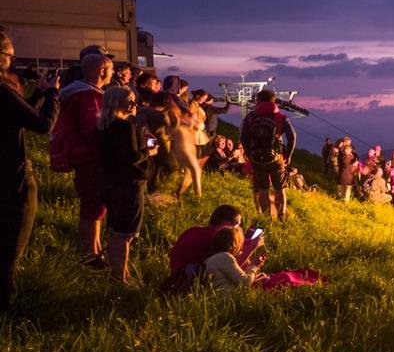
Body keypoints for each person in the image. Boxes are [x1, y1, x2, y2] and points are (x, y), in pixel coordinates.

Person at [0, 31, 60, 313]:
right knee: (11, 249)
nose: (12, 63)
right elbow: (43, 125)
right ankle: (5, 311)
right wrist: (52, 94)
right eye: (10, 56)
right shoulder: (3, 91)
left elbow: (21, 115)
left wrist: (38, 94)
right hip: (13, 177)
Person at [51, 52, 113, 268]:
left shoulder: (78, 93)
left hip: (84, 157)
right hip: (89, 158)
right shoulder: (89, 97)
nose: (112, 74)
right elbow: (94, 131)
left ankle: (95, 249)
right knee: (93, 206)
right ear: (101, 70)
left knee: (96, 206)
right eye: (110, 69)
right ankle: (89, 254)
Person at [96, 85, 156, 285]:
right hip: (128, 186)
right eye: (129, 100)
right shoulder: (124, 127)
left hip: (110, 184)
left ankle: (121, 274)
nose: (133, 104)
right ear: (116, 102)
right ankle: (119, 279)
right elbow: (131, 158)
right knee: (125, 234)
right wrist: (150, 151)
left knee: (115, 232)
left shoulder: (104, 126)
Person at [240, 90, 297, 220]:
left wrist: (249, 153)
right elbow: (292, 137)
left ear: (258, 101)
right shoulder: (281, 117)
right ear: (273, 101)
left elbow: (244, 138)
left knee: (263, 189)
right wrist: (288, 154)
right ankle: (281, 216)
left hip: (256, 157)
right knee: (280, 188)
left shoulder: (251, 117)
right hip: (276, 157)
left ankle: (267, 219)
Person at [167, 204, 262, 277]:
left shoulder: (195, 230)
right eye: (237, 225)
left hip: (179, 275)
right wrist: (252, 248)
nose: (238, 229)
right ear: (226, 223)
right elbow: (228, 267)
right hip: (191, 281)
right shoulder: (218, 237)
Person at [204, 227, 263, 295]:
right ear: (234, 244)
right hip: (227, 300)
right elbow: (245, 282)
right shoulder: (225, 257)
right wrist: (254, 266)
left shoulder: (212, 258)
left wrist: (252, 276)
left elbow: (232, 280)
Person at [334, 138, 358, 202]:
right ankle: (343, 200)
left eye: (350, 150)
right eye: (348, 150)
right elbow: (346, 164)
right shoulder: (343, 156)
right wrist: (354, 164)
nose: (349, 151)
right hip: (345, 174)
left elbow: (354, 159)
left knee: (347, 188)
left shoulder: (351, 156)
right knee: (344, 188)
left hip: (349, 175)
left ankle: (345, 200)